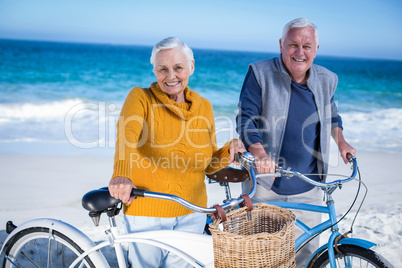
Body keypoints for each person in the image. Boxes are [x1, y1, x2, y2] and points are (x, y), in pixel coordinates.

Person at [109, 37, 245, 268]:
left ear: (191, 66)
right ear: (154, 70)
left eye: (178, 67)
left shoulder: (204, 106)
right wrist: (121, 174)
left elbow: (208, 163)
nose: (171, 75)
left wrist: (229, 150)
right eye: (163, 69)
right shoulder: (140, 98)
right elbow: (126, 136)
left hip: (192, 212)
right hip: (148, 211)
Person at [236, 18, 356, 267]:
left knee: (307, 256)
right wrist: (258, 153)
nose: (300, 52)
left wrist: (342, 143)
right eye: (293, 45)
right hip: (266, 185)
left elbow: (331, 114)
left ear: (316, 49)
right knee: (262, 258)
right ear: (281, 45)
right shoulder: (260, 73)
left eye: (307, 46)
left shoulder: (327, 79)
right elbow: (247, 118)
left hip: (309, 185)